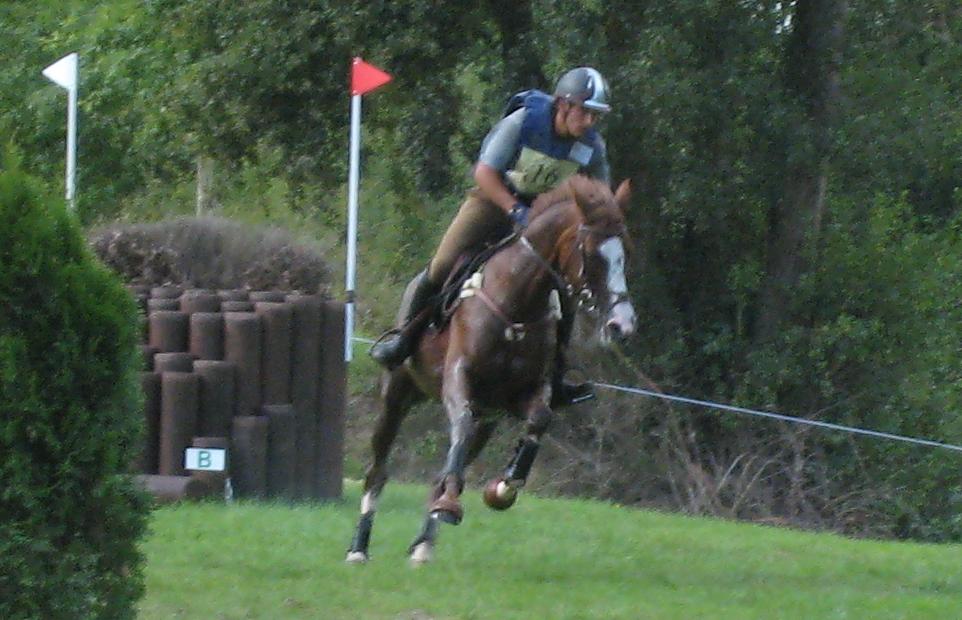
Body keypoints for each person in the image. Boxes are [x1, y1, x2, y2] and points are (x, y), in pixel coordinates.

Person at [370, 67, 612, 407]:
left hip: (541, 223)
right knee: (441, 265)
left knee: (563, 293)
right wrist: (514, 210)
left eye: (595, 115)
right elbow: (484, 172)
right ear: (563, 104)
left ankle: (556, 378)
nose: (589, 121)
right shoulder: (523, 123)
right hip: (493, 202)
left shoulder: (592, 148)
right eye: (585, 111)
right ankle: (403, 340)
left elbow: (600, 198)